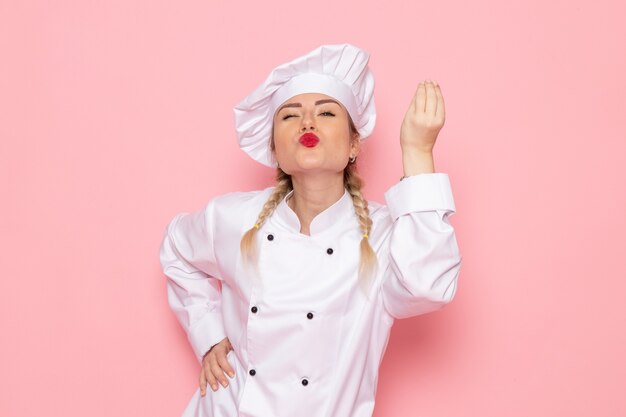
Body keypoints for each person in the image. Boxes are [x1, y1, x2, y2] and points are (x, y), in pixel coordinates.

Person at [159, 43, 462, 417]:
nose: (307, 123)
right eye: (289, 116)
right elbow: (176, 248)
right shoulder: (232, 218)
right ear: (274, 148)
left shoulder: (384, 233)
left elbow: (427, 288)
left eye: (326, 112)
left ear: (354, 144)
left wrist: (418, 152)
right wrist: (208, 335)